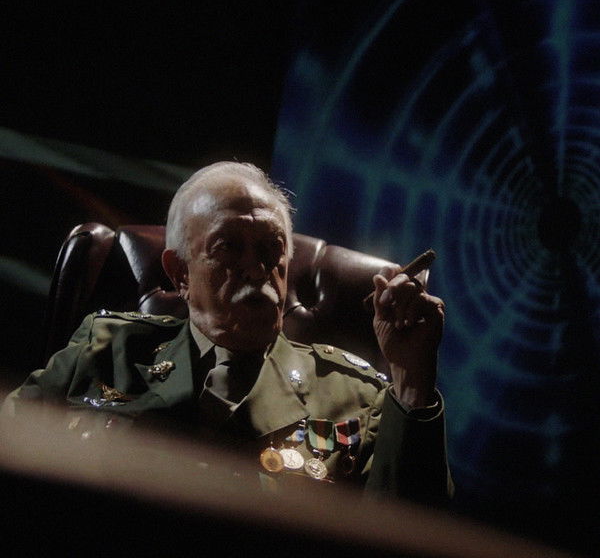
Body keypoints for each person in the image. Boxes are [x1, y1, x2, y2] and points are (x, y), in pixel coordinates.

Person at [2, 161, 452, 503]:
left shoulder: (355, 397)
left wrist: (412, 380)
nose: (256, 269)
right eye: (229, 247)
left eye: (271, 248)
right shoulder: (106, 349)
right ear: (180, 273)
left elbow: (411, 527)